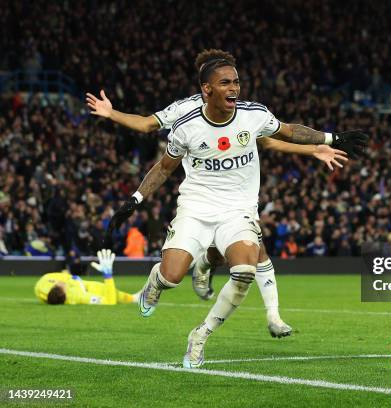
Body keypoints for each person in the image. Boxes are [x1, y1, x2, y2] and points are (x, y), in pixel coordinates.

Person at [104, 49, 367, 367]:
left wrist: (332, 138)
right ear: (207, 88)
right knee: (173, 275)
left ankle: (200, 335)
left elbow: (286, 130)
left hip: (238, 210)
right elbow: (163, 167)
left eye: (237, 82)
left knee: (244, 272)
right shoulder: (186, 125)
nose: (234, 88)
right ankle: (155, 283)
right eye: (225, 82)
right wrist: (135, 199)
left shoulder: (253, 115)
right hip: (196, 208)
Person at [34, 249, 136, 305]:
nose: (62, 282)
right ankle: (135, 299)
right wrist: (108, 275)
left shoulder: (43, 287)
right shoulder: (78, 296)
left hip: (96, 288)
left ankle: (135, 298)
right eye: (62, 285)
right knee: (117, 296)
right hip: (103, 291)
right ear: (63, 292)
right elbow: (109, 302)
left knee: (125, 296)